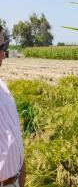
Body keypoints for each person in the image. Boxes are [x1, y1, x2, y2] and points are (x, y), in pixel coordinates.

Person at [0, 26, 26, 187]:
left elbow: (14, 136)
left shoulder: (3, 87)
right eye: (1, 48)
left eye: (5, 46)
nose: (4, 54)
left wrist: (20, 175)